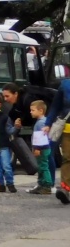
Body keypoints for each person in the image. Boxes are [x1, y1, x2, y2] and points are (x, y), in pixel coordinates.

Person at [48, 70, 70, 204]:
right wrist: (47, 123)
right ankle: (65, 189)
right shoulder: (65, 85)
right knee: (67, 157)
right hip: (68, 128)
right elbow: (55, 107)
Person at [28, 100, 54, 194]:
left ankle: (47, 185)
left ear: (41, 111)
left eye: (33, 110)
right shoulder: (43, 121)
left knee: (43, 166)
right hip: (43, 148)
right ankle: (41, 184)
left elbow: (41, 137)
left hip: (42, 148)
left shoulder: (40, 123)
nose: (30, 112)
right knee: (41, 166)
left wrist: (37, 148)